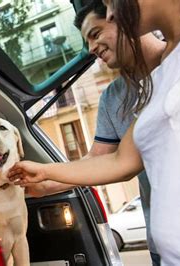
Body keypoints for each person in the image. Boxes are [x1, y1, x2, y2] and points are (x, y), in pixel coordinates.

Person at [9, 0, 180, 264]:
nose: (111, 11)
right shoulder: (158, 79)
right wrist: (44, 176)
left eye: (111, 4)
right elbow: (119, 160)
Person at [25, 1, 164, 264]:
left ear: (121, 17)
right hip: (162, 244)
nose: (90, 48)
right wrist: (43, 185)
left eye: (95, 33)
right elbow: (107, 161)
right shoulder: (112, 98)